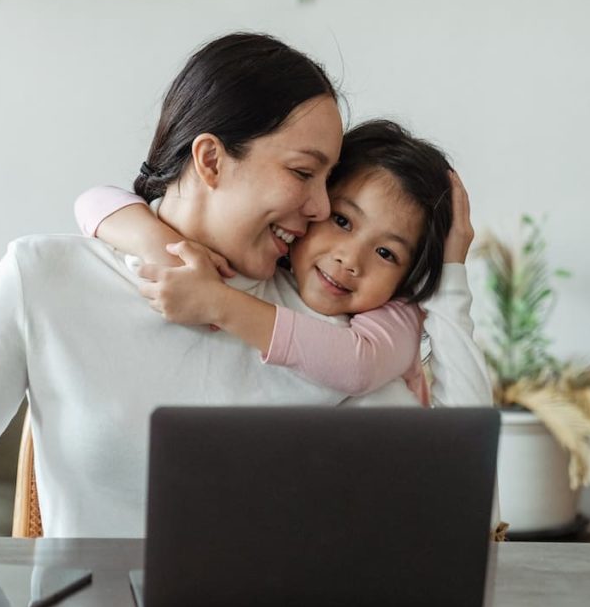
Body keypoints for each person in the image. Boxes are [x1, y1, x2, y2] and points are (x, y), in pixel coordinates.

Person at [0, 33, 489, 577]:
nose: (320, 208)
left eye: (329, 181)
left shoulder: (334, 324)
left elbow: (451, 500)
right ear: (210, 159)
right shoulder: (44, 276)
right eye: (302, 172)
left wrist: (452, 276)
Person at [73, 119, 487, 407]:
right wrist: (164, 248)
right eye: (341, 220)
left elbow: (357, 365)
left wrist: (217, 302)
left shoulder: (394, 316)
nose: (350, 259)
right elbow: (94, 200)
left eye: (386, 253)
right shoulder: (266, 268)